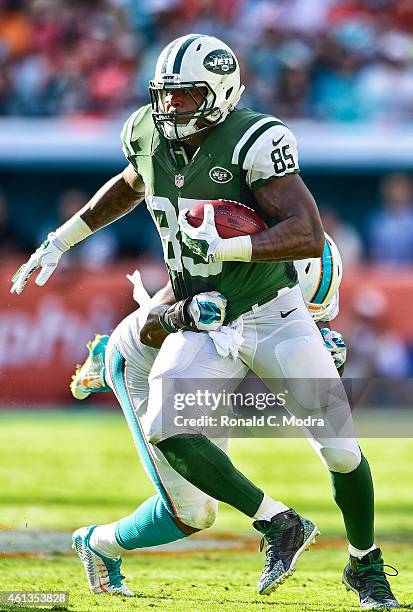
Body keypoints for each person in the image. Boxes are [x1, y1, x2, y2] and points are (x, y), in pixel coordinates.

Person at [11, 34, 399, 608]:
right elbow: (130, 183)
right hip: (198, 317)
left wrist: (231, 250)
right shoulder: (148, 130)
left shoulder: (254, 139)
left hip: (270, 313)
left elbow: (307, 232)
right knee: (170, 427)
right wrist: (65, 237)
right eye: (165, 96)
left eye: (187, 96)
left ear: (220, 92)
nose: (172, 109)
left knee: (341, 449)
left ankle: (365, 567)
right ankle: (278, 523)